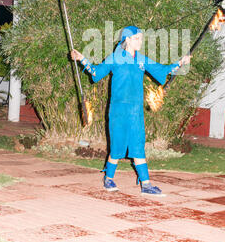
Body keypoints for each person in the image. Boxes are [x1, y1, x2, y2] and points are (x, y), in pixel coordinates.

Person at [71, 25, 191, 195]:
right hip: (118, 110)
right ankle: (109, 178)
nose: (140, 41)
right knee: (117, 147)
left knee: (138, 146)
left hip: (136, 111)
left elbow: (162, 70)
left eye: (141, 38)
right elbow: (96, 73)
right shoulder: (115, 58)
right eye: (137, 38)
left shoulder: (141, 59)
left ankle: (146, 184)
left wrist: (180, 62)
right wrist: (82, 58)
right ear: (127, 40)